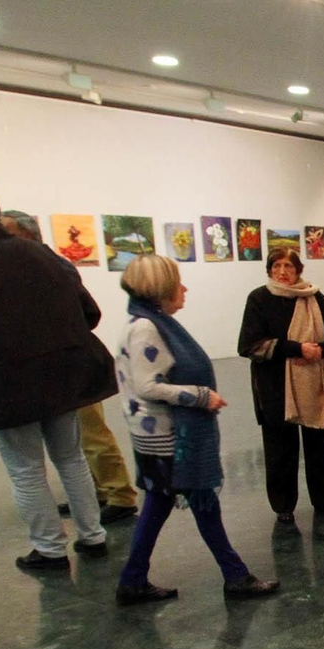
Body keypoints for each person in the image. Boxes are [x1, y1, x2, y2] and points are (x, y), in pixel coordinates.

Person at [0, 186, 116, 571]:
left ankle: (49, 548)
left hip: (9, 380)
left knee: (25, 468)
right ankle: (93, 536)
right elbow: (88, 311)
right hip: (63, 378)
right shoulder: (42, 254)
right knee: (71, 458)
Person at [112, 255, 280, 605]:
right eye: (177, 284)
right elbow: (148, 386)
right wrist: (200, 397)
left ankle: (134, 578)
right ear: (159, 291)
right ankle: (235, 576)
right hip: (170, 438)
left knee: (161, 504)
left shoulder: (151, 323)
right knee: (198, 504)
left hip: (162, 437)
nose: (184, 289)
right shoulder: (147, 327)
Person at [0, 209, 138, 524]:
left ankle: (120, 495)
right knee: (75, 437)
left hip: (74, 363)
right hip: (58, 363)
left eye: (8, 233)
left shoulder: (51, 266)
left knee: (90, 432)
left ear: (28, 234)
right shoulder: (29, 266)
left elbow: (88, 313)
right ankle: (96, 493)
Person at [236, 247, 324, 523]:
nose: (283, 272)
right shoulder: (259, 299)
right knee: (279, 449)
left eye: (288, 266)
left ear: (298, 270)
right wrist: (296, 348)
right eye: (277, 266)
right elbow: (248, 345)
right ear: (269, 270)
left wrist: (318, 350)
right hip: (275, 387)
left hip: (314, 385)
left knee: (318, 447)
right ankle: (283, 505)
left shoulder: (316, 298)